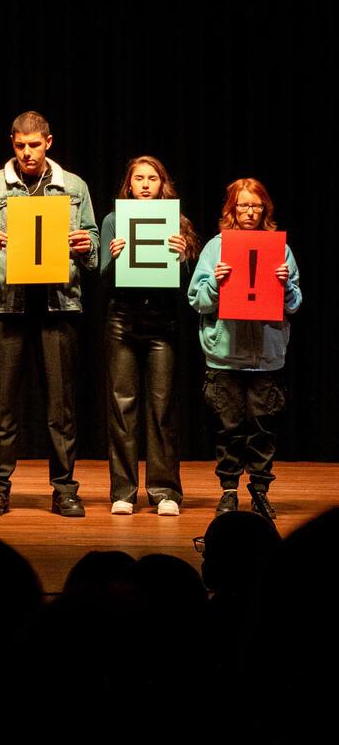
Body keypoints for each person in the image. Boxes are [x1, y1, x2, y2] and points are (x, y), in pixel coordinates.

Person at [0, 112, 98, 518]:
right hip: (7, 304)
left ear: (48, 143)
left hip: (58, 304)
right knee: (1, 405)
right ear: (12, 143)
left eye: (34, 145)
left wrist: (83, 244)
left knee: (61, 406)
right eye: (20, 145)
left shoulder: (72, 186)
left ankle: (64, 488)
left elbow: (92, 239)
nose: (27, 153)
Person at [188, 178, 300, 519]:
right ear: (231, 209)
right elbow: (197, 299)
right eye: (243, 205)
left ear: (265, 208)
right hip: (225, 354)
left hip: (266, 356)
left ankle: (261, 491)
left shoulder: (279, 249)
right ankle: (228, 490)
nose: (249, 211)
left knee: (263, 427)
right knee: (229, 427)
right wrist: (217, 285)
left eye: (256, 205)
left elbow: (295, 302)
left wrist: (283, 286)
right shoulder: (215, 247)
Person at [100, 155, 199, 516]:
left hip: (163, 321)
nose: (145, 184)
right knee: (122, 406)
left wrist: (183, 257)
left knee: (162, 408)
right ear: (129, 185)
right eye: (138, 178)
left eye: (152, 178)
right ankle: (123, 491)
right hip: (122, 319)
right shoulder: (114, 220)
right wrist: (113, 258)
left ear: (162, 184)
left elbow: (189, 287)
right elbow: (103, 278)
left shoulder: (176, 220)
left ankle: (164, 491)